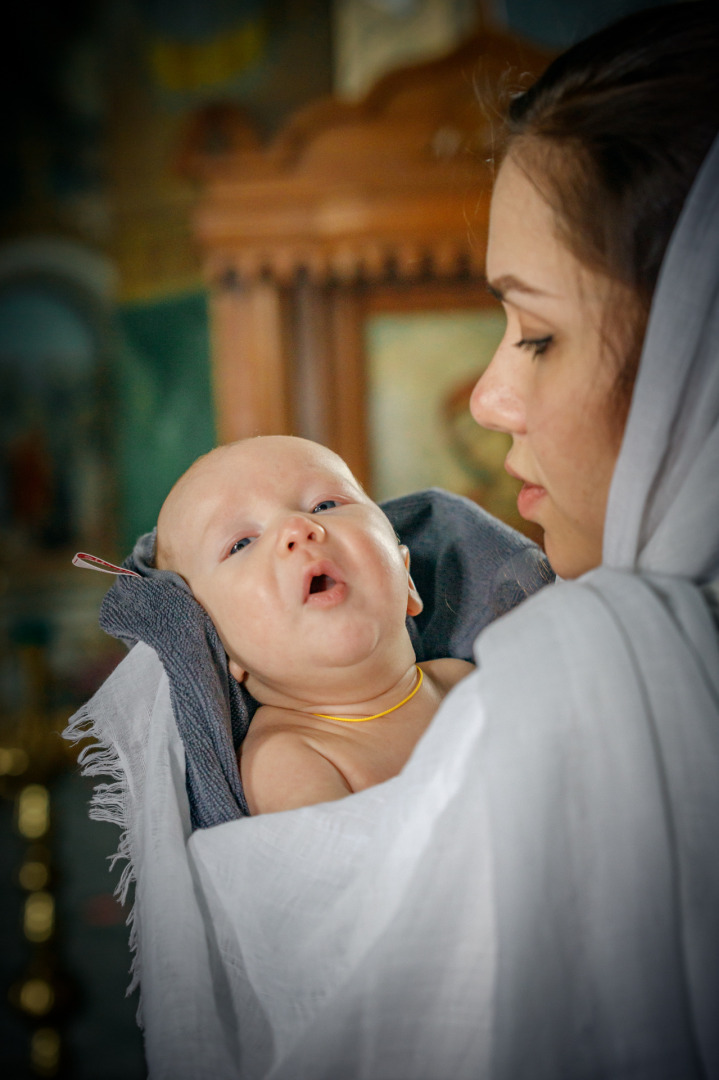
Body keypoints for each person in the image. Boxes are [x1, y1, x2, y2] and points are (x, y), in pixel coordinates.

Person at [66, 4, 719, 1078]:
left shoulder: (518, 671)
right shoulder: (289, 757)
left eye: (539, 334)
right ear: (223, 659)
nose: (489, 394)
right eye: (240, 547)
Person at [154, 435, 473, 814]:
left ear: (407, 579)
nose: (296, 528)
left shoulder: (461, 682)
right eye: (241, 543)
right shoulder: (286, 760)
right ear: (218, 647)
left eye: (324, 505)